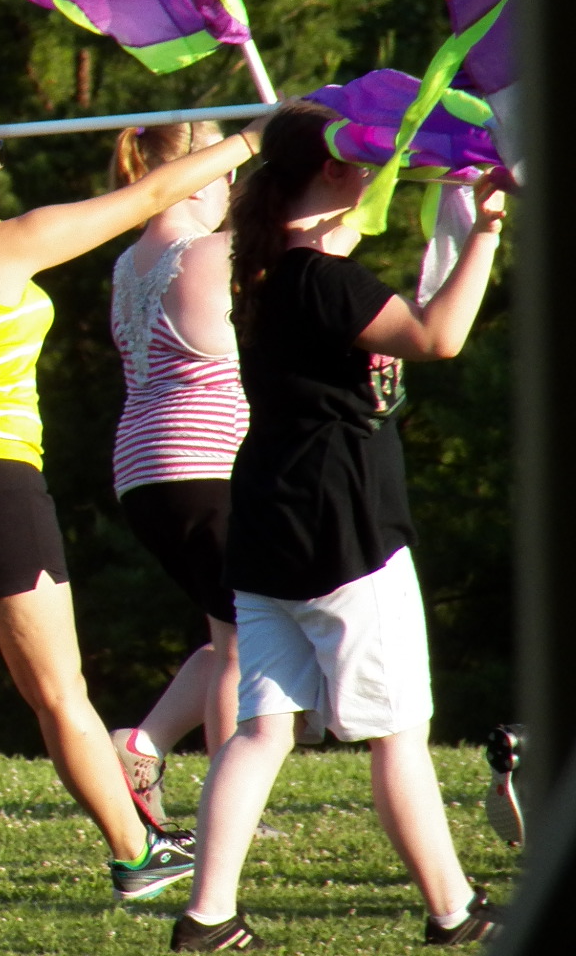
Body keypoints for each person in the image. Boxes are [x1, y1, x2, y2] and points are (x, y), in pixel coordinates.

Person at [0, 94, 263, 911]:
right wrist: (252, 141)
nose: (3, 167)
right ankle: (135, 849)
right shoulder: (0, 245)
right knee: (59, 693)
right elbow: (147, 199)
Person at [172, 101, 505, 950]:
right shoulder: (322, 281)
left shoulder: (273, 272)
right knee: (399, 733)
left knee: (262, 729)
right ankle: (452, 910)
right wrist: (488, 235)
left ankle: (208, 916)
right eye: (362, 160)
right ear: (331, 171)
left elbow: (356, 268)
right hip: (344, 530)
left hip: (269, 528)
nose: (374, 172)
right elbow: (439, 336)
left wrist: (455, 198)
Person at [104, 122, 249, 833]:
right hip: (204, 463)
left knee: (228, 627)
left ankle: (141, 745)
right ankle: (233, 801)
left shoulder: (130, 261)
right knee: (244, 640)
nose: (234, 187)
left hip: (143, 470)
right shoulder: (211, 253)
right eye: (226, 169)